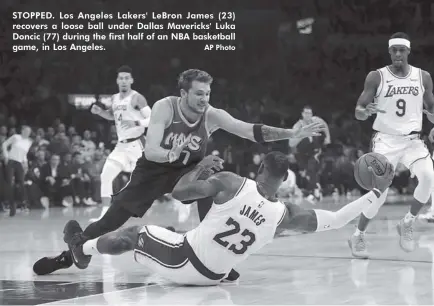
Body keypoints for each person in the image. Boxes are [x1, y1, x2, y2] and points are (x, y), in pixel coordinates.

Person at [38, 68, 325, 274]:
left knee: (211, 186)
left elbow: (249, 131)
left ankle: (210, 254)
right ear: (184, 93)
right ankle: (71, 251)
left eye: (208, 93)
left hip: (186, 171)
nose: (204, 99)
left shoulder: (211, 115)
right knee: (113, 219)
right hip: (152, 170)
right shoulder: (166, 107)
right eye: (199, 93)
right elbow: (150, 150)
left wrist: (290, 132)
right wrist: (170, 152)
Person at [34, 152, 394, 284]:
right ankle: (81, 250)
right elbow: (338, 219)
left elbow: (178, 193)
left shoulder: (230, 181)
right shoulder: (285, 214)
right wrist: (375, 192)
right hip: (217, 276)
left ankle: (83, 250)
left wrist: (201, 169)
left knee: (135, 233)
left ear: (259, 167)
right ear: (285, 180)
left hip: (184, 262)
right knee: (173, 231)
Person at [348, 32, 434, 258]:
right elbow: (358, 110)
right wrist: (364, 112)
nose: (397, 53)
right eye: (393, 50)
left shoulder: (422, 77)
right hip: (385, 140)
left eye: (401, 50)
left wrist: (432, 117)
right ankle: (358, 235)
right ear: (389, 51)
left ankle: (407, 222)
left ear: (408, 51)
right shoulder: (376, 77)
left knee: (428, 177)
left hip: (413, 140)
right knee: (379, 194)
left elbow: (432, 108)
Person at [88, 65, 151, 222]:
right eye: (120, 78)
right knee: (106, 175)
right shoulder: (114, 98)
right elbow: (112, 116)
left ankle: (180, 200)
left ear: (131, 80)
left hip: (137, 144)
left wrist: (135, 122)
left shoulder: (137, 98)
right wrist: (100, 112)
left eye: (126, 78)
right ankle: (104, 214)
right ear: (117, 80)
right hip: (121, 146)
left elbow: (152, 119)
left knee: (148, 180)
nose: (123, 81)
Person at [288, 105, 330, 203]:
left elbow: (324, 124)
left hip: (315, 151)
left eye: (309, 113)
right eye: (306, 113)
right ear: (302, 114)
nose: (308, 115)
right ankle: (316, 189)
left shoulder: (316, 120)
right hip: (302, 153)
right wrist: (301, 135)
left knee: (312, 168)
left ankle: (315, 191)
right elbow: (291, 143)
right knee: (307, 173)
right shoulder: (298, 126)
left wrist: (328, 137)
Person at [2, 125, 32, 216]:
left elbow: (24, 154)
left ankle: (20, 202)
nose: (27, 133)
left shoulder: (28, 142)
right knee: (10, 183)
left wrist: (25, 163)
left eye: (29, 132)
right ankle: (11, 205)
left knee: (21, 183)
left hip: (19, 162)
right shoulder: (16, 137)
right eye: (26, 131)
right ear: (22, 131)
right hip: (11, 161)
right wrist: (6, 156)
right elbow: (4, 144)